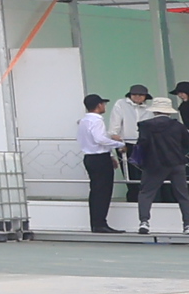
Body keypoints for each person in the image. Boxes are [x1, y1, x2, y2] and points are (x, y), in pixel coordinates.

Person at [131, 90, 189, 242]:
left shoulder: (145, 125)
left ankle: (144, 222)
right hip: (177, 163)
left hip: (153, 164)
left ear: (154, 111)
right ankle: (187, 225)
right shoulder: (178, 126)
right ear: (169, 111)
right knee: (183, 195)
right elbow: (186, 144)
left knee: (146, 193)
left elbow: (142, 144)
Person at [78, 95, 122, 236]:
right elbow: (99, 139)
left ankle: (96, 223)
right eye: (103, 104)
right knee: (103, 191)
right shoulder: (97, 121)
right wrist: (119, 144)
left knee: (96, 191)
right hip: (99, 159)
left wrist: (110, 154)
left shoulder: (84, 121)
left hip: (90, 157)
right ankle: (100, 223)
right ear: (99, 105)